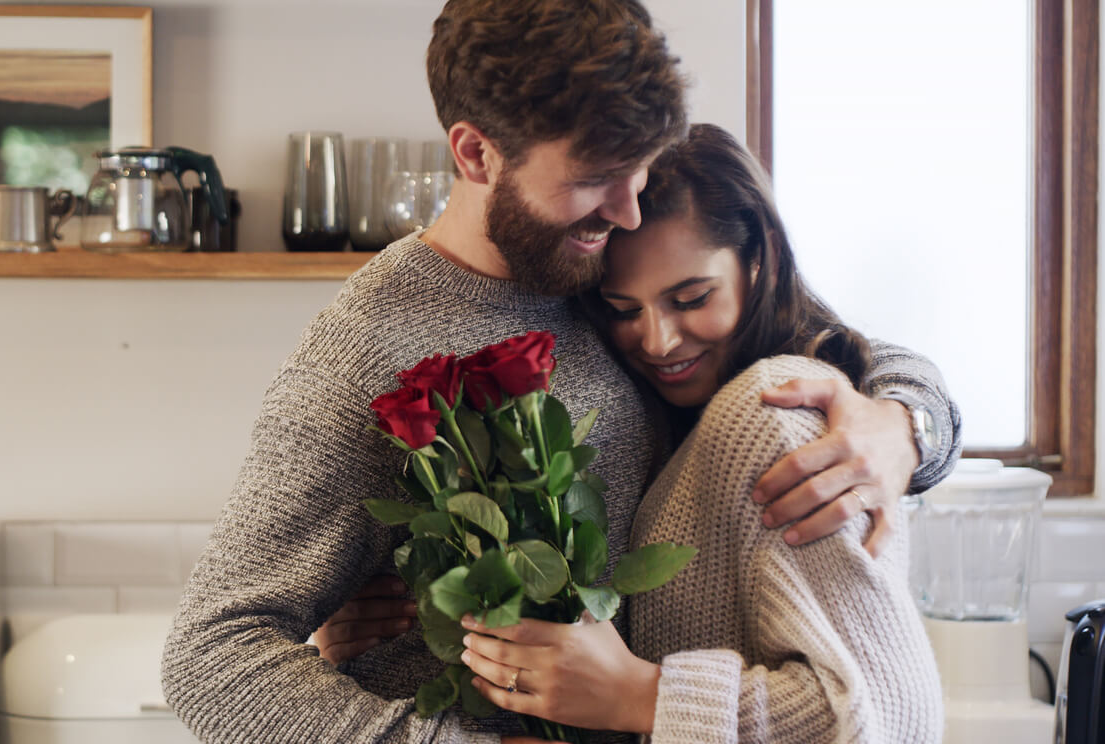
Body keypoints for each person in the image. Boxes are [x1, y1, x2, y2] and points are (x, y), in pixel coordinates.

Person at [162, 2, 960, 742]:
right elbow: (211, 659)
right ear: (476, 152)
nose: (627, 211)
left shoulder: (599, 264)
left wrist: (905, 425)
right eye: (591, 179)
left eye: (638, 168)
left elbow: (809, 345)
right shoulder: (367, 350)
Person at [324, 124, 947, 741]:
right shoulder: (655, 408)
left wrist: (641, 698)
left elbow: (892, 717)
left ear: (761, 259)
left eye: (692, 297)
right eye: (624, 310)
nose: (658, 341)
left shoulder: (776, 410)